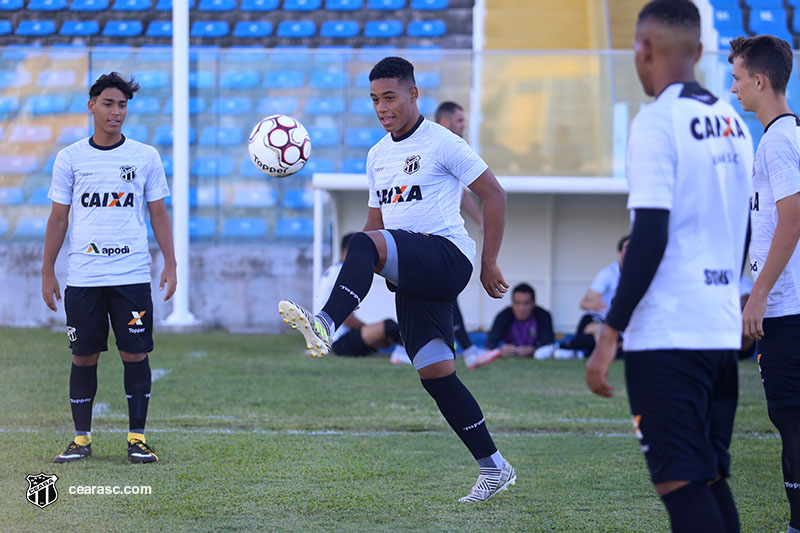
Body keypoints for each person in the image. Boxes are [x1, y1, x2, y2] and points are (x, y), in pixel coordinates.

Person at [279, 56, 516, 502]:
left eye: (389, 97)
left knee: (365, 246)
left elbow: (495, 194)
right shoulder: (377, 155)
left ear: (413, 94)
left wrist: (489, 262)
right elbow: (374, 228)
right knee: (435, 372)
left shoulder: (442, 142)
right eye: (374, 99)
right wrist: (368, 260)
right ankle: (493, 466)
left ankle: (325, 324)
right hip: (414, 274)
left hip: (448, 257)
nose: (381, 107)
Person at [585, 2, 753, 532]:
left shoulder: (656, 123)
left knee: (680, 483)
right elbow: (741, 231)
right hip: (719, 329)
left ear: (643, 50)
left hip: (669, 337)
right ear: (700, 52)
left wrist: (610, 330)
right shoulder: (734, 122)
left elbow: (649, 236)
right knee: (707, 478)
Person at [42, 72, 176, 464]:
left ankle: (138, 438)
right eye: (108, 104)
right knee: (83, 356)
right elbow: (58, 219)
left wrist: (170, 262)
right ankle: (81, 440)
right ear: (92, 105)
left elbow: (159, 214)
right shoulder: (69, 158)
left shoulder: (145, 156)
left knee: (135, 354)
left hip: (132, 275)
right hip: (84, 277)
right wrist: (47, 270)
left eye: (122, 105)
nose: (116, 112)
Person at [730, 34, 800, 533]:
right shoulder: (784, 136)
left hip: (789, 310)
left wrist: (758, 295)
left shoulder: (778, 141)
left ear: (759, 80)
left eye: (736, 78)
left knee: (792, 421)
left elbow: (792, 223)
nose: (732, 88)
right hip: (786, 305)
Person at [434, 100, 497, 369]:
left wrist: (481, 219)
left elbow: (460, 193)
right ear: (446, 121)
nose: (463, 126)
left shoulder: (448, 147)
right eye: (460, 121)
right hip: (431, 236)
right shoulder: (438, 145)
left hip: (439, 240)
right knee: (442, 293)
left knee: (438, 294)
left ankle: (406, 348)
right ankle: (468, 351)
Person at [315, 232, 403, 357]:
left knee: (386, 329)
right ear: (347, 252)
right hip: (340, 341)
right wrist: (375, 333)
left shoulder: (333, 270)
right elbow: (347, 320)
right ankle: (404, 353)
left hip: (337, 338)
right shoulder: (341, 274)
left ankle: (399, 350)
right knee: (389, 327)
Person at [563, 235, 630, 354]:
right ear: (620, 253)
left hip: (621, 327)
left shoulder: (643, 274)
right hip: (597, 321)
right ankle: (560, 346)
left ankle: (575, 350)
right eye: (628, 248)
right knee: (605, 334)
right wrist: (593, 304)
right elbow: (583, 303)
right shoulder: (608, 274)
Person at [484, 283, 554, 358]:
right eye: (517, 303)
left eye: (526, 303)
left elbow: (549, 344)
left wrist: (534, 350)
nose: (521, 308)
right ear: (512, 304)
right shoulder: (503, 316)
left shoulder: (543, 316)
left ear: (533, 304)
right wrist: (500, 351)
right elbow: (490, 344)